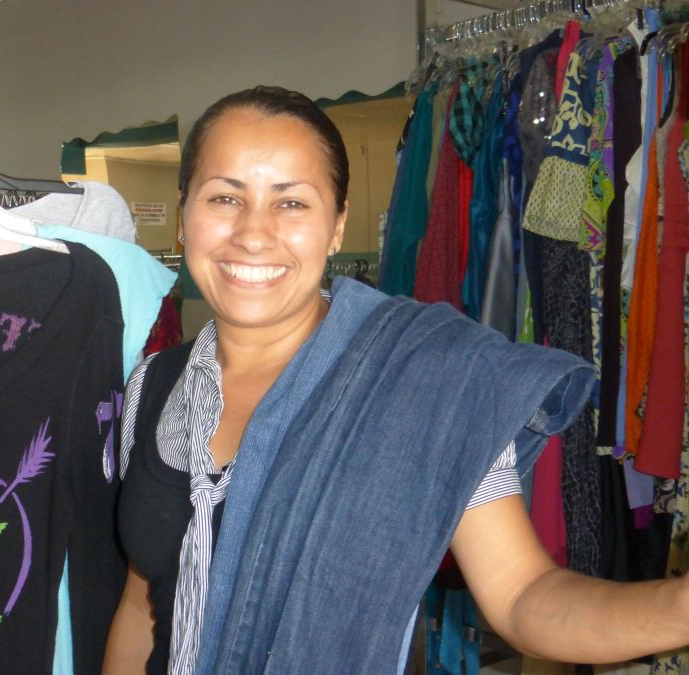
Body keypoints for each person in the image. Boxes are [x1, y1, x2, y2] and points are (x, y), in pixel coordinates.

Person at [102, 86, 689, 675]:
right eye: (225, 198)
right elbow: (141, 603)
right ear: (184, 215)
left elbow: (521, 596)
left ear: (337, 225)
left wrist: (679, 608)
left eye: (292, 203)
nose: (253, 233)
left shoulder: (424, 383)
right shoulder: (156, 386)